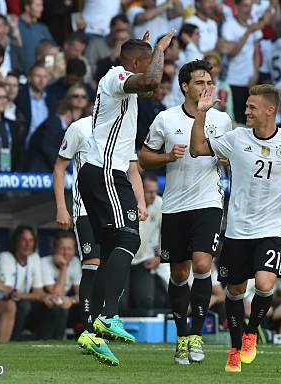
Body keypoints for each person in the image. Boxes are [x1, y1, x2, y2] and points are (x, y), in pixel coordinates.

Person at [189, 84, 281, 372]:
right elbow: (197, 148)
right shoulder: (235, 138)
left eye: (251, 107)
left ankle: (250, 335)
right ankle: (234, 348)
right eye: (246, 106)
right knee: (234, 291)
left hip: (272, 226)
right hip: (237, 228)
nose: (246, 111)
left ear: (270, 110)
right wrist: (201, 114)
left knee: (264, 283)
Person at [76, 31, 173, 366]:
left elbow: (149, 86)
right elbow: (151, 80)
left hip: (104, 170)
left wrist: (147, 50)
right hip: (104, 171)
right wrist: (158, 50)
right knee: (129, 237)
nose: (152, 70)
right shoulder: (117, 75)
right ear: (133, 64)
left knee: (108, 251)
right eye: (144, 62)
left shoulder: (121, 79)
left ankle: (93, 332)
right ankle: (107, 315)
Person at [141, 59, 232, 364]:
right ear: (185, 87)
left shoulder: (222, 120)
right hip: (175, 205)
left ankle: (196, 335)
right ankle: (181, 337)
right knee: (179, 273)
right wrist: (166, 156)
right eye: (199, 82)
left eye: (209, 82)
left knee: (203, 264)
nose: (206, 87)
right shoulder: (165, 119)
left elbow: (225, 157)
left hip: (208, 202)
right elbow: (143, 157)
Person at [53, 115, 103, 352]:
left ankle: (102, 323)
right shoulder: (79, 127)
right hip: (85, 209)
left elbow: (131, 167)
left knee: (110, 266)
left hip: (113, 208)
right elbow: (60, 166)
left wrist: (140, 201)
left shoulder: (124, 124)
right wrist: (62, 207)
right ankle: (89, 330)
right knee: (92, 263)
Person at [121, 173, 168, 315]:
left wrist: (159, 256)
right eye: (149, 192)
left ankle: (142, 335)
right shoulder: (126, 203)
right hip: (123, 259)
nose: (153, 195)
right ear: (139, 189)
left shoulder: (159, 204)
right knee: (120, 303)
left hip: (143, 259)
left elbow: (164, 230)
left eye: (155, 191)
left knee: (146, 300)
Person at [0, 225, 45, 341]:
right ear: (16, 241)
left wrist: (22, 295)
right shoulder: (5, 257)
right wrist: (28, 296)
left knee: (48, 306)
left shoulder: (34, 258)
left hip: (24, 301)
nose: (28, 244)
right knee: (23, 305)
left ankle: (45, 341)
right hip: (2, 301)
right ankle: (14, 340)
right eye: (24, 240)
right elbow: (8, 291)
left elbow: (39, 293)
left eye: (31, 241)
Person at [39, 232, 81, 340]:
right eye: (62, 248)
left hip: (65, 304)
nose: (66, 252)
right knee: (59, 309)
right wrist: (63, 268)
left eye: (69, 248)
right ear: (54, 248)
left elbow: (81, 294)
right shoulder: (44, 262)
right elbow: (56, 294)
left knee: (85, 306)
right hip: (44, 305)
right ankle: (54, 341)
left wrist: (71, 300)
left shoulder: (75, 262)